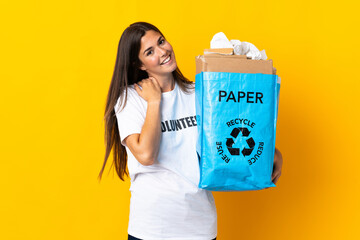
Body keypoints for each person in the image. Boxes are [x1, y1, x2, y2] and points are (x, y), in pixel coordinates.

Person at [98, 22, 283, 240]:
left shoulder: (201, 92)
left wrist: (270, 153)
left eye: (161, 41)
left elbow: (229, 139)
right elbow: (146, 155)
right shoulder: (131, 98)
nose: (163, 51)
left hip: (200, 226)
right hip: (152, 229)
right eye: (150, 52)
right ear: (138, 64)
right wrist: (155, 101)